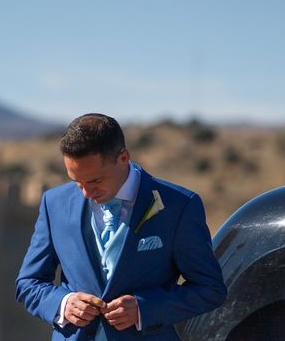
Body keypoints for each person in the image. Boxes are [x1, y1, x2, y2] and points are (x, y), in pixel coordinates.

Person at [16, 113, 227, 340]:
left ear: (124, 158)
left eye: (96, 181)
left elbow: (210, 289)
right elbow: (28, 283)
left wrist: (144, 308)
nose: (86, 193)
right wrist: (63, 303)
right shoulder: (54, 204)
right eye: (77, 181)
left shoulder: (179, 206)